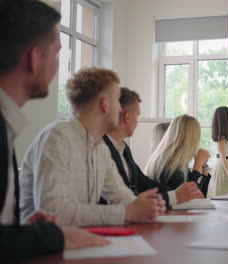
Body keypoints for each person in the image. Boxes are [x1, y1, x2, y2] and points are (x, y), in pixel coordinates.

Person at [0, 0, 108, 260]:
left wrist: (26, 231)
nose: (59, 67)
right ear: (34, 58)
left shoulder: (7, 123)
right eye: (57, 53)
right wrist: (53, 236)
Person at [20, 67, 166, 227]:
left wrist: (145, 205)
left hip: (76, 240)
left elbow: (123, 198)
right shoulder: (57, 137)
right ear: (105, 104)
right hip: (41, 247)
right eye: (117, 100)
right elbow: (52, 211)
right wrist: (128, 212)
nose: (120, 108)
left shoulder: (100, 148)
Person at [104, 87, 202, 207]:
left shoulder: (124, 149)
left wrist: (178, 194)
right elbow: (122, 200)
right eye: (137, 116)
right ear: (127, 117)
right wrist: (175, 195)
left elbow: (144, 183)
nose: (137, 122)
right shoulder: (103, 150)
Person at [144, 115, 211, 196]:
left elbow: (202, 194)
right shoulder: (168, 164)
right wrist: (198, 163)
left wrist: (204, 167)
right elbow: (191, 195)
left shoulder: (179, 163)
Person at [207, 107, 228, 198]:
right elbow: (222, 156)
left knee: (227, 192)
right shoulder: (220, 137)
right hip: (222, 165)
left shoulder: (225, 136)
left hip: (227, 164)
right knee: (221, 193)